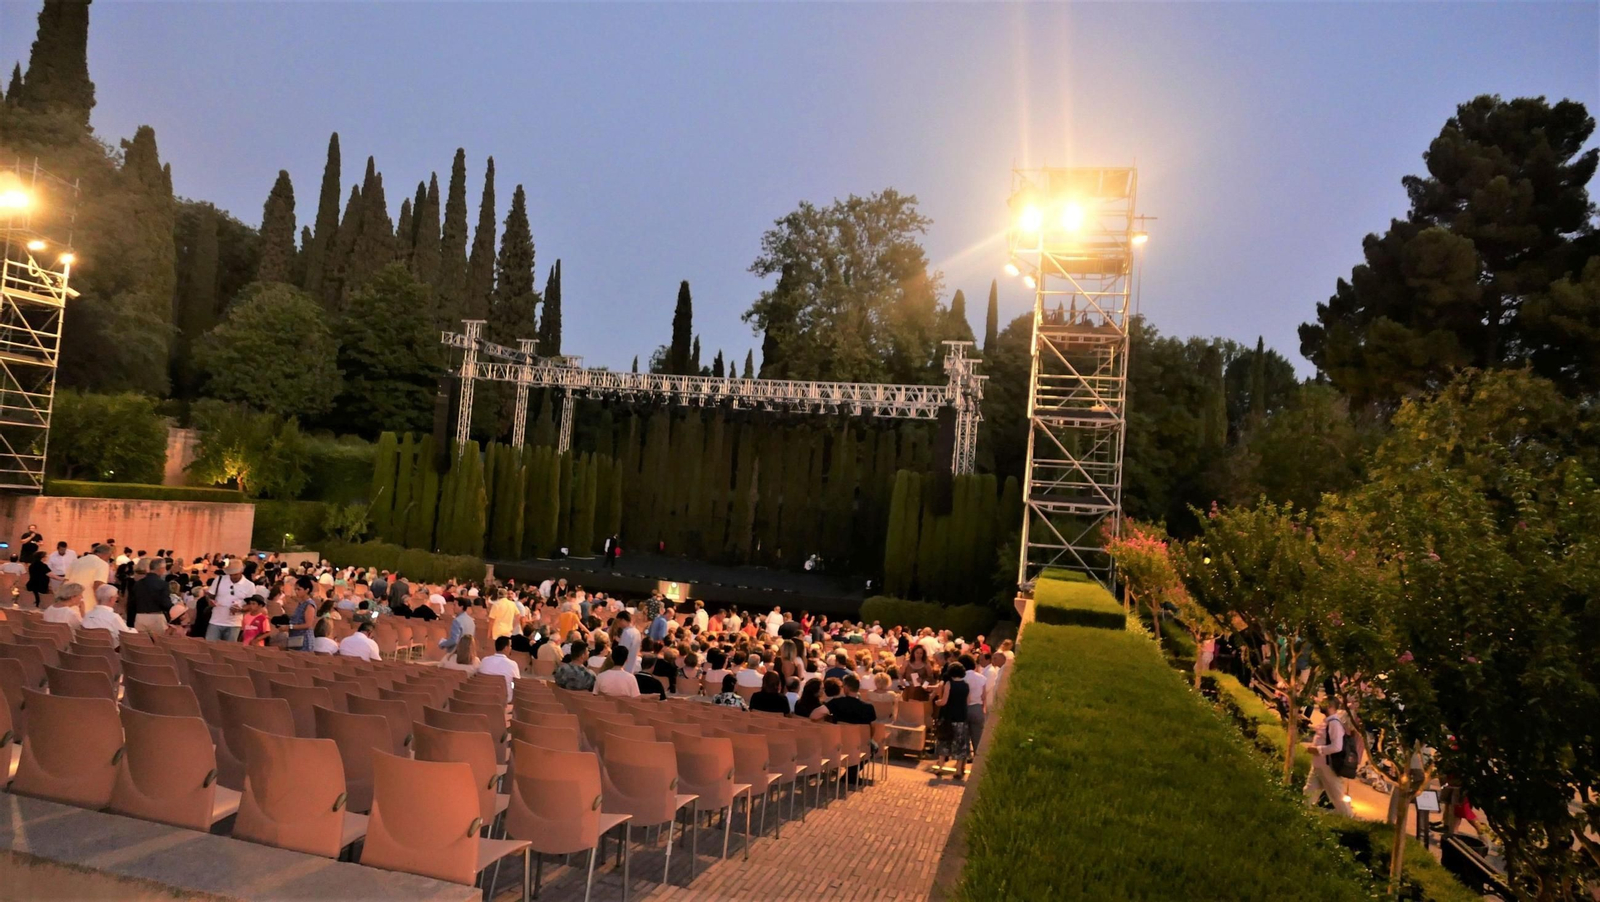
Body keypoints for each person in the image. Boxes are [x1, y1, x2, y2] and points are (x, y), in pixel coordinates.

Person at [1303, 697, 1354, 817]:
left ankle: (1348, 819)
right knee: (1308, 791)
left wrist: (1318, 749)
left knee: (1337, 797)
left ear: (1331, 706)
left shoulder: (1334, 723)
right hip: (1318, 764)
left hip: (1327, 766)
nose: (1321, 705)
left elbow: (1337, 746)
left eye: (1324, 703)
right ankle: (1303, 815)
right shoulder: (1327, 721)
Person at [933, 662, 971, 780]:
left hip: (948, 717)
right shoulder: (966, 685)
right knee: (960, 744)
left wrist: (937, 702)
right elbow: (968, 701)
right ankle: (958, 770)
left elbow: (944, 701)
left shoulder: (949, 684)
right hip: (961, 717)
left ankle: (940, 768)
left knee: (944, 741)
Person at [206, 560, 255, 642]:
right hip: (216, 620)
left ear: (241, 571)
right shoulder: (219, 579)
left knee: (229, 648)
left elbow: (252, 605)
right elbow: (209, 595)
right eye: (231, 575)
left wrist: (240, 609)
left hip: (234, 623)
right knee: (209, 645)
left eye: (235, 574)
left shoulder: (249, 585)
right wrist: (210, 601)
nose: (233, 577)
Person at [477, 636, 520, 701]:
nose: (511, 648)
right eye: (510, 646)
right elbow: (517, 684)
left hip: (483, 697)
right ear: (506, 648)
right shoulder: (513, 664)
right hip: (504, 700)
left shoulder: (484, 660)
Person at [961, 653, 989, 752]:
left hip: (963, 708)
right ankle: (978, 760)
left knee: (964, 738)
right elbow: (984, 696)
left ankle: (963, 761)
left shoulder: (961, 678)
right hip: (977, 708)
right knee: (978, 738)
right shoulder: (981, 677)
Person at [287, 575, 318, 650]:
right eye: (295, 589)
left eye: (299, 589)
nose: (296, 592)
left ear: (307, 590)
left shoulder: (309, 605)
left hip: (304, 640)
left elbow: (308, 624)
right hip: (295, 637)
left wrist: (290, 627)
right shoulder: (301, 603)